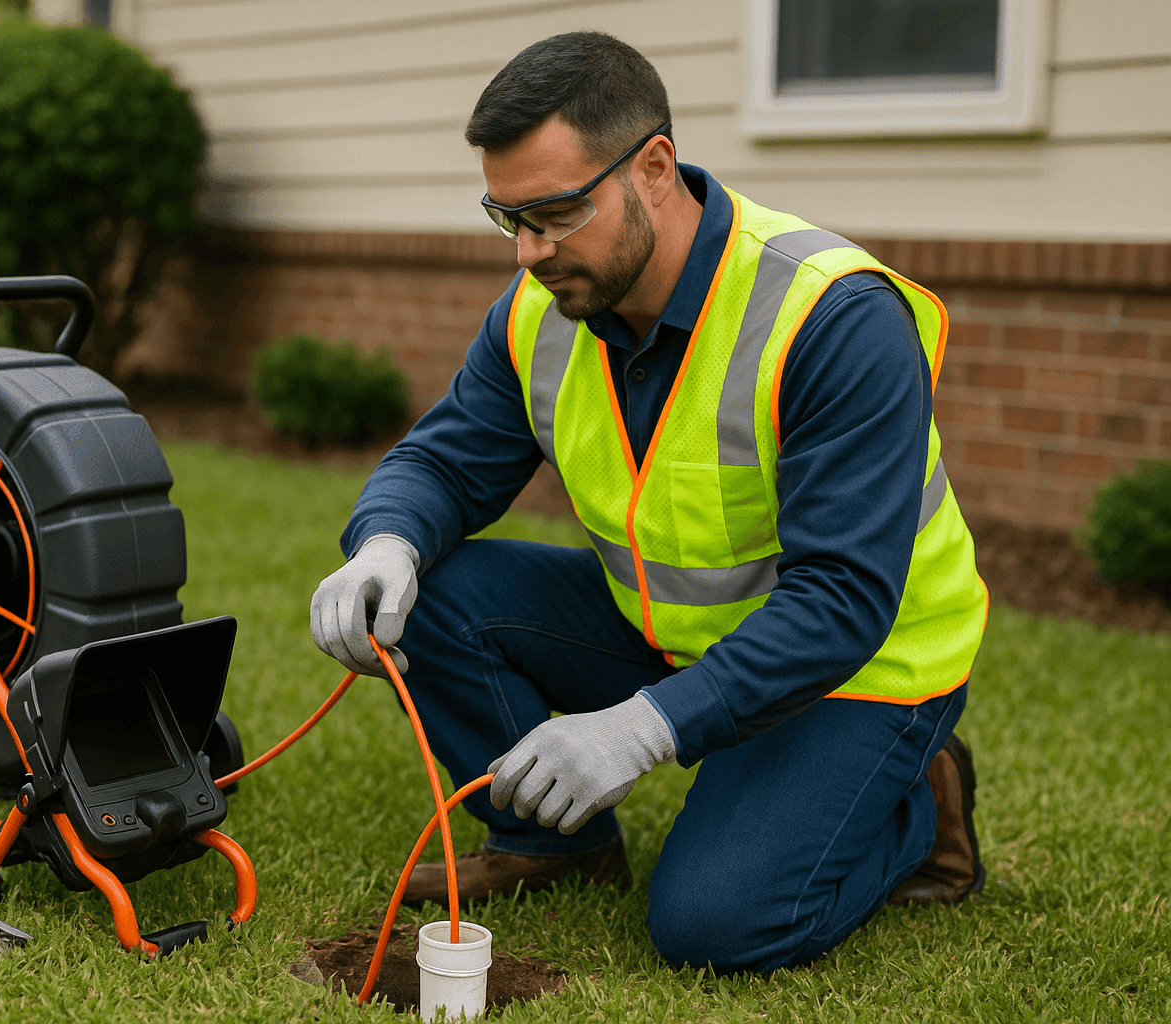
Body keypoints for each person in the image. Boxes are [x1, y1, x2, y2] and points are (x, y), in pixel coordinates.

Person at [308, 31, 988, 974]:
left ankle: (919, 799)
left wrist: (642, 727)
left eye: (556, 214)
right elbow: (446, 463)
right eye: (509, 219)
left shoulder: (833, 318)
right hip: (675, 632)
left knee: (714, 926)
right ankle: (555, 842)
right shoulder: (541, 310)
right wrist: (383, 543)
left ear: (655, 168)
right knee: (436, 587)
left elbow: (843, 599)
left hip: (861, 664)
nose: (532, 253)